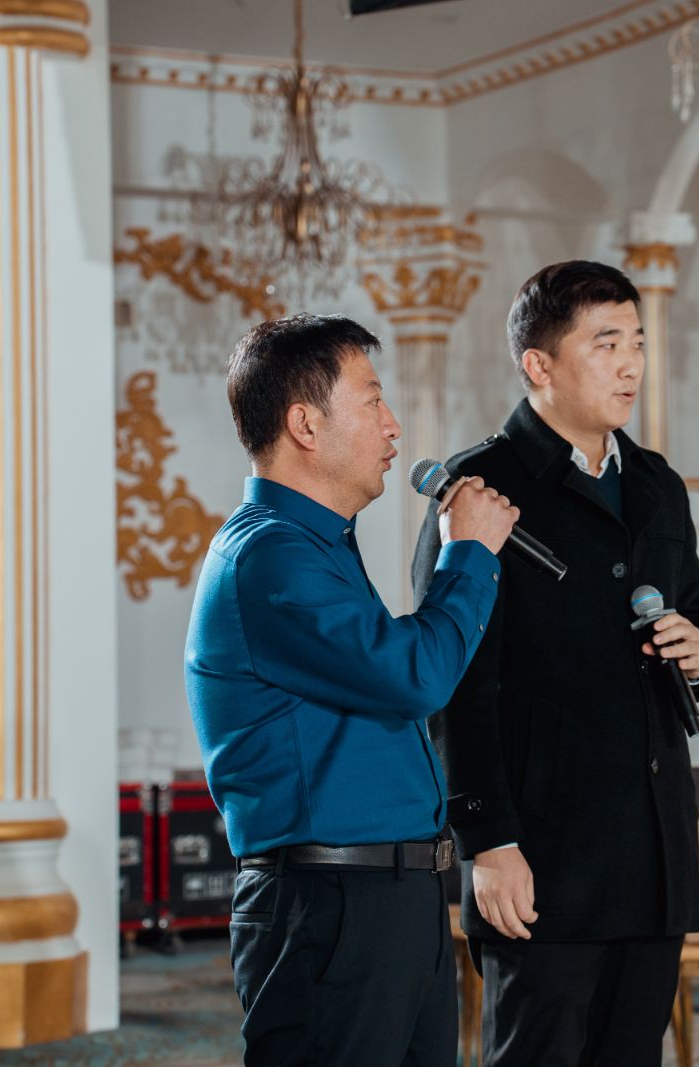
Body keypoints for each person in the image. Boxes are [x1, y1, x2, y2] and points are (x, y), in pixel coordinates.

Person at [413, 261, 699, 1067]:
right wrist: (488, 842)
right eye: (606, 343)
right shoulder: (481, 490)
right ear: (539, 364)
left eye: (639, 342)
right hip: (543, 858)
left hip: (653, 852)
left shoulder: (657, 484)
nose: (632, 365)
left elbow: (698, 616)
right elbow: (455, 686)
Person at [186, 313, 518, 1067]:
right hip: (328, 906)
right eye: (372, 400)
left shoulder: (317, 545)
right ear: (305, 424)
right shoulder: (270, 555)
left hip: (389, 899)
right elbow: (415, 676)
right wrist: (469, 554)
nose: (392, 424)